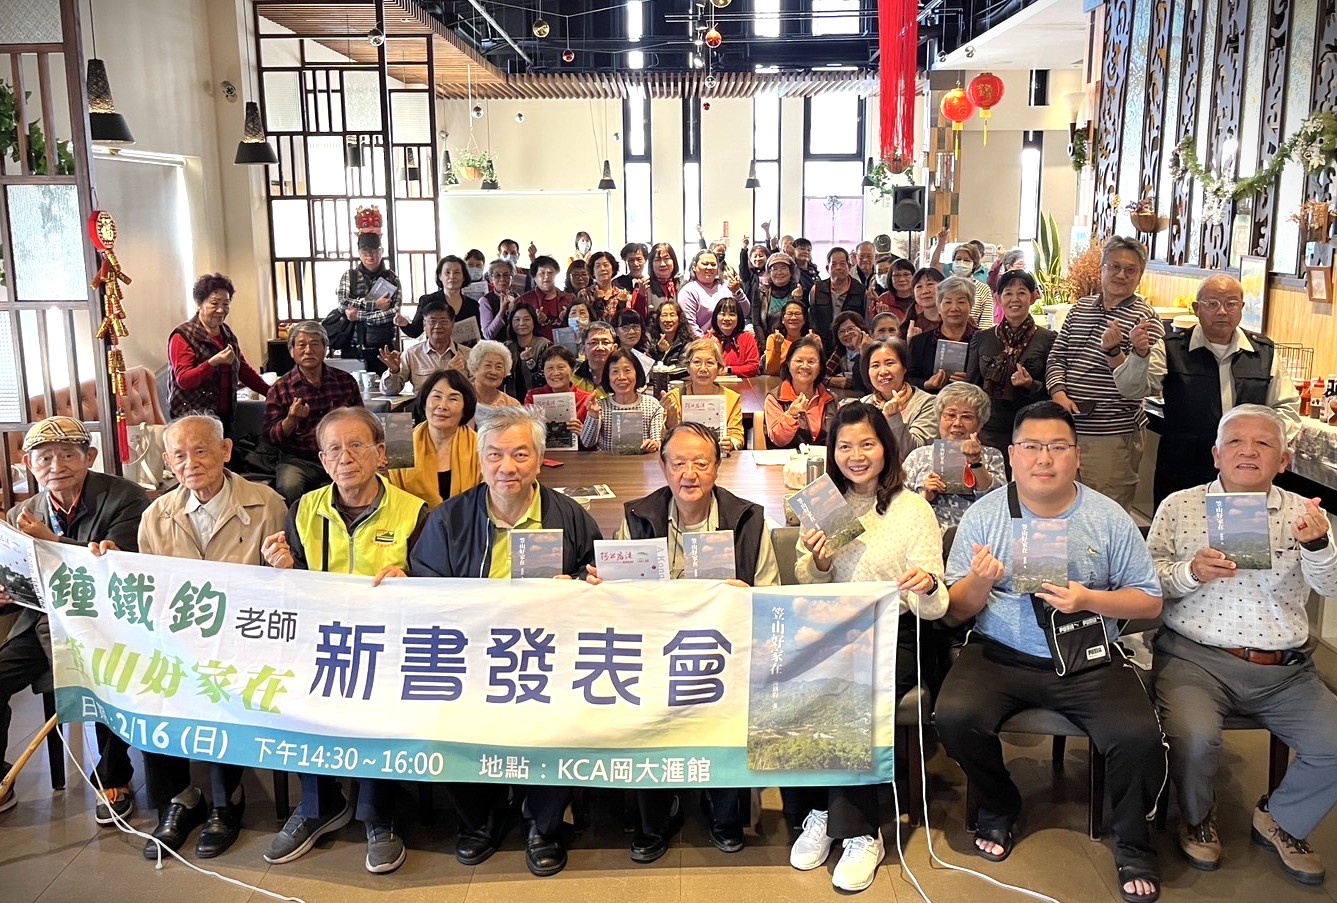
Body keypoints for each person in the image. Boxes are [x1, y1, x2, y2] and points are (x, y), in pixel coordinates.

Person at [934, 400, 1166, 903]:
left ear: (1077, 456)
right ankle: (1000, 803)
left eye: (1058, 447)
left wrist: (1089, 599)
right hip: (999, 652)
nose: (1045, 458)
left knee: (1137, 735)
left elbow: (1150, 601)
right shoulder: (984, 516)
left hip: (1087, 655)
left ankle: (1132, 840)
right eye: (1032, 446)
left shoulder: (1108, 517)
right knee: (953, 717)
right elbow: (954, 613)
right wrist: (980, 582)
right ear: (1011, 455)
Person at [1145, 404, 1336, 885]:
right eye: (1235, 442)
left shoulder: (1305, 513)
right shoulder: (1179, 506)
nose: (1248, 451)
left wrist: (1318, 546)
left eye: (1263, 444)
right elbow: (1146, 583)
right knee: (1195, 738)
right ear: (1216, 454)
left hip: (1283, 668)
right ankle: (1197, 817)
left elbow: (1330, 587)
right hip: (1195, 657)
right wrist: (1191, 572)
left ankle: (1280, 818)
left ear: (1284, 461)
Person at [409, 406, 601, 877]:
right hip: (471, 659)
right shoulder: (450, 519)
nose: (506, 467)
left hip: (549, 658)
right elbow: (426, 593)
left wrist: (581, 583)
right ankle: (482, 817)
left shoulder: (570, 517)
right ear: (479, 460)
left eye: (520, 454)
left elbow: (598, 578)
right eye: (494, 455)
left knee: (563, 715)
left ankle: (543, 824)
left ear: (539, 461)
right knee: (441, 715)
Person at [590, 422, 780, 862]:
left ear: (717, 467)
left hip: (725, 652)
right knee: (637, 697)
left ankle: (724, 811)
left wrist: (747, 597)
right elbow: (618, 598)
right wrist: (603, 585)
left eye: (700, 463)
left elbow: (771, 599)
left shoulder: (749, 521)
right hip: (654, 652)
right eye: (678, 463)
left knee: (730, 700)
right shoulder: (638, 517)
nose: (688, 474)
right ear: (663, 467)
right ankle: (654, 816)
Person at [788, 402, 948, 892]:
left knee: (845, 690)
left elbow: (937, 604)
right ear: (832, 452)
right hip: (835, 628)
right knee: (787, 676)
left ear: (886, 448)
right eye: (845, 446)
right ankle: (818, 810)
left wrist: (925, 585)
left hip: (896, 633)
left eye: (867, 444)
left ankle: (861, 833)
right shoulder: (825, 504)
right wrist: (819, 563)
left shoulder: (912, 508)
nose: (856, 456)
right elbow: (805, 578)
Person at [261, 407, 427, 875]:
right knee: (293, 688)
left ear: (380, 453)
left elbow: (435, 584)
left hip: (389, 644)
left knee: (384, 696)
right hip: (321, 640)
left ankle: (378, 815)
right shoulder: (304, 508)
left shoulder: (414, 511)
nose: (345, 457)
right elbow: (291, 585)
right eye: (333, 449)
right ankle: (320, 805)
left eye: (356, 445)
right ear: (321, 459)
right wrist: (283, 567)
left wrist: (411, 578)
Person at [115, 415, 286, 860]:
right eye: (179, 455)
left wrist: (282, 567)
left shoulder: (267, 504)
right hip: (180, 639)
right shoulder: (156, 515)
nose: (190, 463)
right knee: (149, 683)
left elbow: (284, 591)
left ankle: (226, 801)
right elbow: (151, 590)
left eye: (201, 451)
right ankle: (179, 799)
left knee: (220, 682)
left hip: (245, 639)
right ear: (168, 463)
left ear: (226, 451)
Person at [0, 417, 148, 824]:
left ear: (90, 456)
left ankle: (114, 776)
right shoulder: (22, 512)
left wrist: (53, 542)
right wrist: (6, 592)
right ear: (29, 465)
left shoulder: (127, 498)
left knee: (103, 678)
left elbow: (121, 570)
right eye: (44, 457)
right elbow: (17, 577)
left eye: (67, 454)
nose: (56, 465)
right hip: (44, 624)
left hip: (108, 623)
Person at [1114, 273, 1301, 506]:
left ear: (1242, 308)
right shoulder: (1172, 348)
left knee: (1242, 529)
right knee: (1180, 527)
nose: (1222, 311)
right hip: (1184, 467)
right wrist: (1139, 356)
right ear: (1196, 308)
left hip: (1246, 469)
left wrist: (1265, 443)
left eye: (1231, 304)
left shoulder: (1263, 352)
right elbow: (1132, 390)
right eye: (1212, 304)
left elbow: (1286, 406)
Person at [1045, 236, 1160, 511]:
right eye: (1115, 267)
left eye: (1130, 270)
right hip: (1066, 428)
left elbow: (1139, 384)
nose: (1121, 275)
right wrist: (1058, 393)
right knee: (1060, 506)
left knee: (1104, 510)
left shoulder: (1145, 320)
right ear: (1102, 268)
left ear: (1140, 276)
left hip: (1111, 433)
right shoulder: (1080, 308)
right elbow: (1056, 357)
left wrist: (1115, 351)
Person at [263, 321, 363, 504]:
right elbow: (271, 438)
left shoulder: (345, 381)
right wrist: (291, 420)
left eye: (315, 344)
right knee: (289, 486)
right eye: (302, 345)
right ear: (291, 351)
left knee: (363, 481)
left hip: (340, 454)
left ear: (325, 349)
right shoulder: (280, 388)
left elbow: (362, 422)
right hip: (298, 459)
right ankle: (298, 523)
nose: (308, 350)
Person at [967, 270, 1056, 460]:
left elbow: (1054, 390)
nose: (1014, 299)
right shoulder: (982, 338)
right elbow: (972, 388)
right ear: (997, 299)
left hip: (1032, 428)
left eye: (1022, 292)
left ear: (1033, 297)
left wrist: (1031, 384)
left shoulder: (1048, 339)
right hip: (990, 430)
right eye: (1008, 293)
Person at [167, 273, 270, 438]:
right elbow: (184, 380)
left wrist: (271, 392)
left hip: (224, 414)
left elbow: (242, 369)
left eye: (226, 304)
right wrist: (212, 363)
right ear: (199, 304)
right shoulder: (183, 335)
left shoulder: (225, 332)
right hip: (193, 419)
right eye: (214, 303)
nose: (221, 310)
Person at [902, 383, 1005, 530]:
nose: (957, 423)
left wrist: (976, 463)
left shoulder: (992, 456)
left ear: (979, 424)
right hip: (925, 533)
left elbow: (997, 504)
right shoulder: (918, 456)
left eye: (967, 417)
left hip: (973, 534)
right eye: (950, 415)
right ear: (939, 418)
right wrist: (925, 496)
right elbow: (899, 507)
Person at [388, 369, 481, 508]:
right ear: (424, 402)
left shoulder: (480, 446)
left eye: (453, 399)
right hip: (411, 520)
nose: (443, 406)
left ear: (465, 408)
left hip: (468, 520)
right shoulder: (401, 443)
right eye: (437, 396)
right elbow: (390, 495)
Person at [337, 213, 401, 373]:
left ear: (381, 251)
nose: (369, 255)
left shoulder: (391, 278)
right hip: (353, 347)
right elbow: (343, 304)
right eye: (365, 251)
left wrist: (359, 315)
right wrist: (374, 305)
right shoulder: (349, 276)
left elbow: (393, 313)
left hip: (384, 349)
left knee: (387, 386)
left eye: (374, 250)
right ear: (359, 252)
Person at [660, 338, 745, 453]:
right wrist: (671, 414)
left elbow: (737, 436)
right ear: (688, 367)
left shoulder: (732, 398)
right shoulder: (675, 397)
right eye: (697, 362)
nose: (703, 369)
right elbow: (666, 437)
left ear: (719, 368)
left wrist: (731, 443)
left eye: (709, 363)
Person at [859, 337, 938, 461]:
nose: (883, 372)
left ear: (904, 367)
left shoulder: (928, 403)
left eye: (889, 363)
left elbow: (916, 455)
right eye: (875, 365)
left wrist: (894, 417)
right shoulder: (863, 405)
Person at [579, 348, 664, 453]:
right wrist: (593, 415)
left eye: (627, 370)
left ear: (637, 373)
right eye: (615, 371)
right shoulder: (600, 406)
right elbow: (587, 443)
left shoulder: (652, 405)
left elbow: (657, 441)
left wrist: (654, 444)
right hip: (606, 462)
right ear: (608, 377)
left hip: (641, 462)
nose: (621, 377)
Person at [379, 300, 469, 397]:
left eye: (443, 321)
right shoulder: (412, 354)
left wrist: (457, 377)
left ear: (452, 324)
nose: (437, 326)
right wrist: (394, 371)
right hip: (423, 406)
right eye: (432, 321)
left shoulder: (467, 355)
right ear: (424, 325)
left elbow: (475, 391)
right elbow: (389, 391)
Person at [764, 336, 837, 449]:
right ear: (788, 364)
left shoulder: (831, 399)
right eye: (799, 361)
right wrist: (791, 415)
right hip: (788, 458)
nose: (805, 366)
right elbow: (778, 440)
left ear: (820, 367)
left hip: (824, 458)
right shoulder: (775, 399)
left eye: (811, 362)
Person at [398, 255, 480, 343]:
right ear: (440, 276)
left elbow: (479, 333)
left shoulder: (473, 304)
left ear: (464, 277)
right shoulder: (428, 301)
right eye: (447, 272)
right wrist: (403, 323)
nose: (452, 276)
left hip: (466, 351)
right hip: (436, 350)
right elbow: (415, 332)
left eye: (457, 272)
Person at [678, 249, 749, 339]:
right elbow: (689, 325)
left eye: (713, 264)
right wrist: (707, 342)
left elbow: (745, 312)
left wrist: (737, 291)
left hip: (731, 340)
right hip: (702, 342)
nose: (709, 267)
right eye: (705, 264)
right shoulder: (688, 291)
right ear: (694, 267)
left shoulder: (727, 286)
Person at [809, 246, 867, 354]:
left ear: (849, 267)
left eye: (842, 264)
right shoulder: (816, 289)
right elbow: (812, 319)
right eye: (834, 264)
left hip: (852, 347)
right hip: (823, 346)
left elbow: (865, 320)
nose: (838, 268)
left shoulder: (861, 290)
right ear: (827, 268)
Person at [525, 345, 591, 427]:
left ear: (572, 370)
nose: (555, 373)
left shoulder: (586, 399)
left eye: (561, 367)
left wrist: (583, 431)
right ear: (543, 371)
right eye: (550, 368)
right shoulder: (532, 396)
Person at [516, 256, 574, 340]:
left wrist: (569, 318)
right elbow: (516, 329)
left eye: (550, 272)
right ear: (534, 277)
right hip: (534, 346)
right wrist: (534, 321)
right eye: (542, 273)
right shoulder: (524, 300)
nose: (546, 276)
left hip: (566, 345)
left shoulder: (570, 299)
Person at [502, 302, 551, 400]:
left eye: (526, 319)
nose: (521, 323)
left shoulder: (545, 345)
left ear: (534, 321)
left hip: (537, 401)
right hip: (511, 402)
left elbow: (544, 379)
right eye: (517, 320)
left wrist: (530, 361)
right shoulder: (506, 347)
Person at [469, 340, 521, 423]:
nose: (493, 372)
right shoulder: (461, 397)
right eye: (488, 365)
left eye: (499, 367)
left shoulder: (512, 405)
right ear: (475, 368)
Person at [707, 297, 760, 378]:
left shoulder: (747, 338)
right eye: (722, 314)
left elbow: (753, 367)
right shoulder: (708, 338)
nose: (727, 318)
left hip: (743, 384)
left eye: (732, 314)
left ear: (739, 318)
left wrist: (729, 370)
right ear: (715, 317)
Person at [580, 250, 639, 322]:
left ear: (613, 269)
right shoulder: (585, 294)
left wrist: (622, 305)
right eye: (598, 266)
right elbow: (582, 320)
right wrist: (596, 302)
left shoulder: (624, 295)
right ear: (592, 272)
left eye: (606, 265)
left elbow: (627, 322)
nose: (602, 269)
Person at [764, 300, 816, 376]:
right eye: (789, 314)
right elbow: (771, 371)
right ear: (782, 319)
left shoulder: (813, 338)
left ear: (804, 319)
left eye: (798, 314)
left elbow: (818, 370)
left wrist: (814, 345)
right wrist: (777, 348)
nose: (793, 318)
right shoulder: (773, 338)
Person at [824, 311, 871, 392]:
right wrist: (831, 380)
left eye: (850, 329)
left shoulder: (872, 348)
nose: (846, 334)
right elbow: (821, 375)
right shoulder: (840, 351)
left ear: (861, 329)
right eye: (841, 331)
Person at [630, 242, 679, 315]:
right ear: (651, 264)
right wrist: (641, 295)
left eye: (666, 259)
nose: (662, 264)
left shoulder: (681, 285)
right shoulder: (644, 286)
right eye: (657, 260)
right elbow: (636, 316)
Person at [479, 258, 519, 340]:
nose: (502, 279)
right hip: (496, 346)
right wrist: (502, 310)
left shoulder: (517, 297)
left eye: (506, 275)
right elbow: (488, 335)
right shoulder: (485, 301)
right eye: (497, 275)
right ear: (491, 279)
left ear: (511, 278)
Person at [870, 258, 916, 324]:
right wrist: (882, 318)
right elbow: (875, 326)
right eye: (897, 275)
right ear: (890, 278)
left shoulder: (921, 298)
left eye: (906, 274)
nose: (902, 279)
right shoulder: (883, 301)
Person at [648, 298, 691, 367]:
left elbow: (683, 367)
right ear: (658, 319)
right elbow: (646, 365)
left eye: (672, 315)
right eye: (664, 315)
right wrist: (658, 350)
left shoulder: (687, 343)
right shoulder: (648, 340)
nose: (668, 319)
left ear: (680, 319)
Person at [905, 267, 944, 339]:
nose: (925, 291)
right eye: (919, 286)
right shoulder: (908, 326)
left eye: (930, 284)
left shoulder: (955, 320)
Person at [614, 308, 656, 375]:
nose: (632, 332)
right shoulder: (612, 355)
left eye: (636, 327)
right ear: (616, 331)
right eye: (625, 327)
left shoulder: (645, 355)